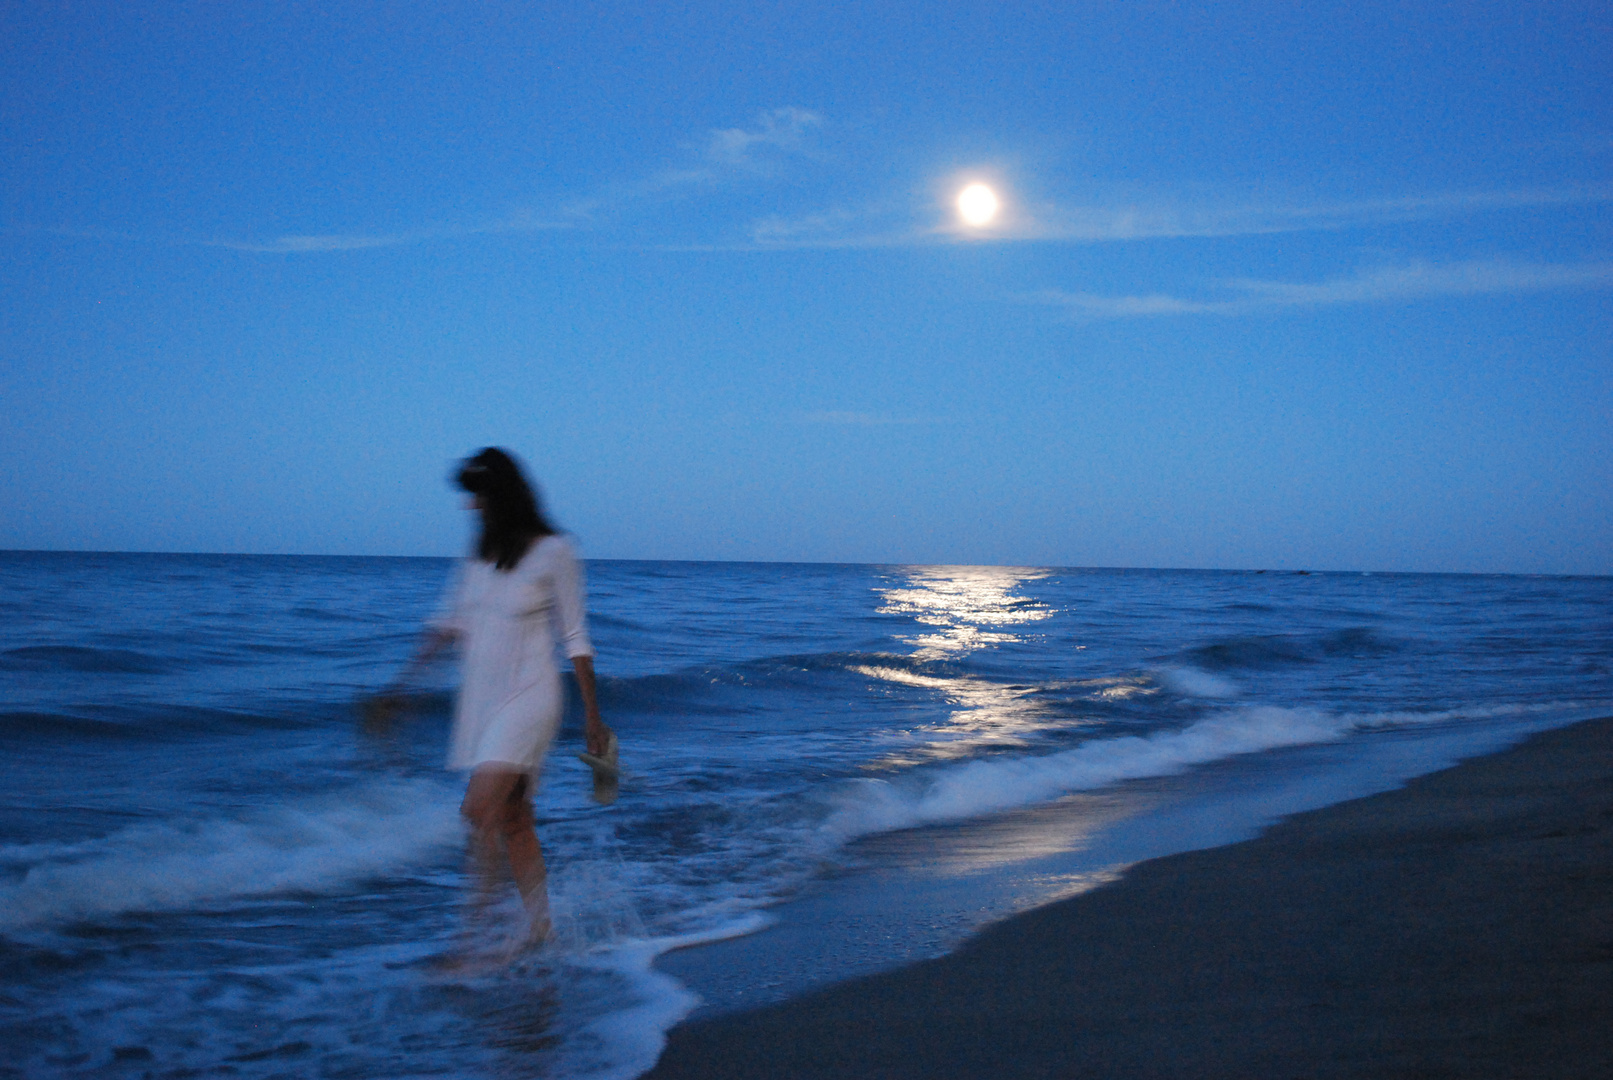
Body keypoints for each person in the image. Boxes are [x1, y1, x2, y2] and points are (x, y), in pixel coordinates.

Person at [400, 447, 611, 944]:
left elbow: (576, 638)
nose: (468, 506)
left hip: (532, 697)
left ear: (499, 494)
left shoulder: (555, 550)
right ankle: (540, 931)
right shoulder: (479, 557)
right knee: (514, 819)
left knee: (479, 810)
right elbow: (449, 624)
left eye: (475, 495)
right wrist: (402, 689)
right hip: (485, 700)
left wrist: (593, 718)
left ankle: (474, 942)